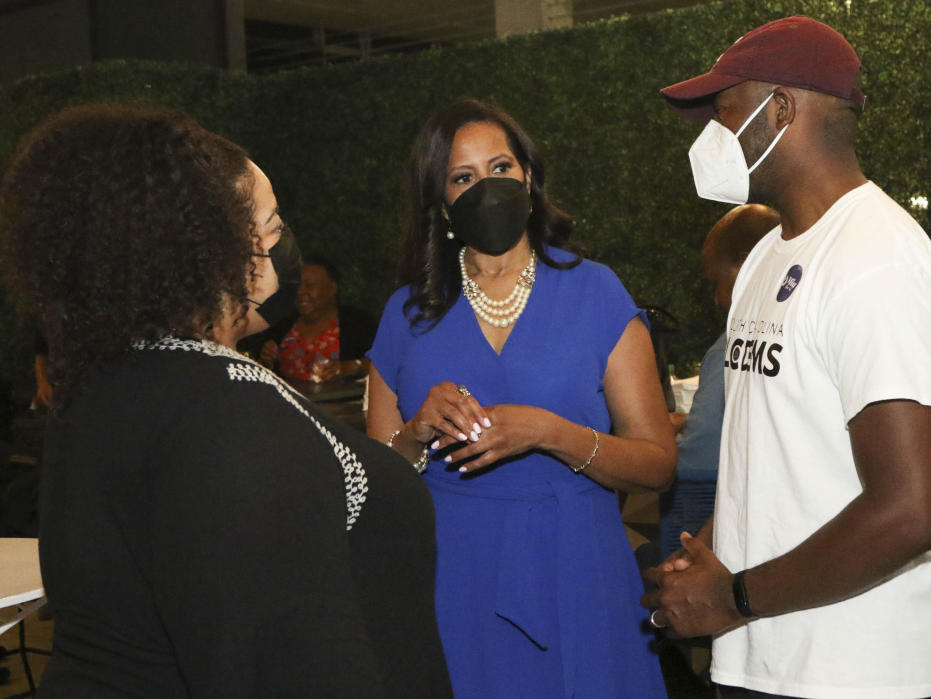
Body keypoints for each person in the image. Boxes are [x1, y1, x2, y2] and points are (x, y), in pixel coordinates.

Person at [0, 104, 452, 698]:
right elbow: (287, 661)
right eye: (270, 223)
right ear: (210, 248)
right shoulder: (227, 415)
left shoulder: (105, 387)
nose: (282, 243)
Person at [644, 16, 931, 699]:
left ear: (780, 109)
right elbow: (767, 457)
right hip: (762, 656)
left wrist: (736, 596)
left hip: (849, 672)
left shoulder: (876, 259)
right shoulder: (765, 255)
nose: (712, 137)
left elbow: (912, 510)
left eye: (724, 112)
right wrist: (707, 572)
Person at [366, 98, 677, 698]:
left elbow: (657, 464)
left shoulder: (595, 291)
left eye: (501, 167)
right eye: (463, 177)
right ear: (442, 202)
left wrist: (550, 432)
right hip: (453, 576)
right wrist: (415, 433)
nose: (488, 187)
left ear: (529, 177)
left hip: (579, 567)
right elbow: (375, 481)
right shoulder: (406, 313)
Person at [661, 203, 778, 555]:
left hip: (704, 502)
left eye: (718, 281)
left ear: (746, 262)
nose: (718, 299)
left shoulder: (732, 346)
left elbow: (703, 450)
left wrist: (651, 452)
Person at [255, 256, 376, 382]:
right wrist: (266, 359)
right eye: (297, 286)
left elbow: (384, 365)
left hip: (341, 401)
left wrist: (353, 367)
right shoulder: (281, 325)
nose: (300, 292)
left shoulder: (358, 323)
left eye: (309, 285)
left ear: (333, 288)